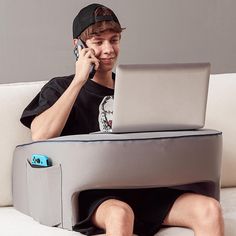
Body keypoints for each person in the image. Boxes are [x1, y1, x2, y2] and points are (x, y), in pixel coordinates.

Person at [20, 3, 224, 236]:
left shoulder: (136, 88)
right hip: (96, 195)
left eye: (114, 40)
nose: (108, 49)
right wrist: (79, 81)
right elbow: (40, 135)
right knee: (120, 214)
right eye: (98, 42)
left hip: (143, 187)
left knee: (209, 209)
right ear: (78, 46)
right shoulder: (60, 87)